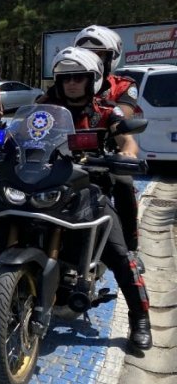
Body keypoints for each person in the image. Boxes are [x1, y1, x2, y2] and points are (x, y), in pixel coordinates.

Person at [44, 46, 151, 350]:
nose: (71, 83)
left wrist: (125, 154)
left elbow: (127, 139)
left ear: (92, 80)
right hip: (48, 186)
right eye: (65, 78)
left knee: (119, 254)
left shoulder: (106, 110)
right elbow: (21, 131)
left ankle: (140, 318)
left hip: (90, 190)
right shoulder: (46, 106)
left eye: (78, 77)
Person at [73, 25, 142, 256]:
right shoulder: (66, 83)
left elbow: (121, 118)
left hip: (104, 157)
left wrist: (126, 151)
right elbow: (37, 113)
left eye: (99, 54)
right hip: (64, 154)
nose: (92, 58)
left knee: (123, 183)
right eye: (85, 53)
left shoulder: (123, 85)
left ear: (112, 58)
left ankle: (130, 248)